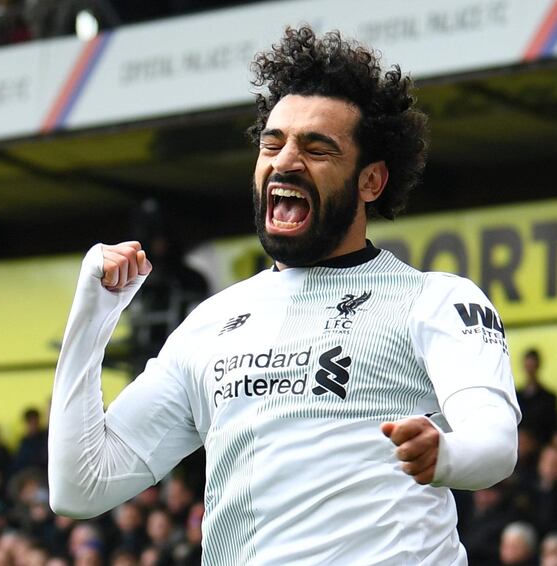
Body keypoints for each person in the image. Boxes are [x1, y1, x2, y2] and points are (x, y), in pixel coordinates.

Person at [48, 26, 520, 564]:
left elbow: (496, 444)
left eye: (317, 148)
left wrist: (446, 454)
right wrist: (92, 316)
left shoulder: (433, 300)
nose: (285, 160)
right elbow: (80, 488)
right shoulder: (211, 323)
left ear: (371, 181)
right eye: (272, 143)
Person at [516, 348, 557, 445]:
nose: (530, 369)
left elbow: (551, 429)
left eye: (532, 366)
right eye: (528, 366)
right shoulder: (516, 396)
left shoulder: (549, 399)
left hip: (538, 446)